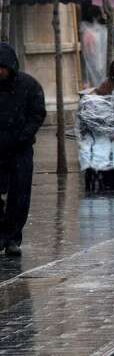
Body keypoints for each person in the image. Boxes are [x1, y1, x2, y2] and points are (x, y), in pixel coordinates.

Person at [0, 43, 46, 257]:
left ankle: (12, 238)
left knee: (19, 195)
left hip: (20, 150)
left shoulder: (28, 86)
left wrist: (23, 136)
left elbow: (37, 113)